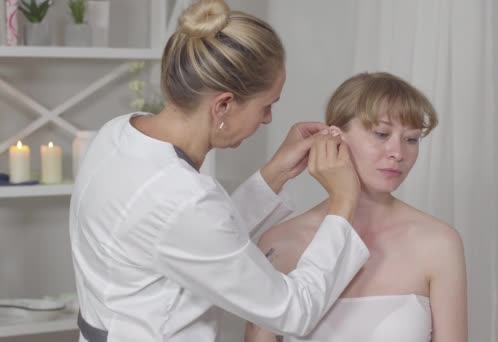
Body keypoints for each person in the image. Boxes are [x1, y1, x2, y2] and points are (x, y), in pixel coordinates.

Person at [68, 1, 370, 341]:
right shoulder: (181, 198)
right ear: (223, 105)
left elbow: (188, 239)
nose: (268, 119)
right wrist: (343, 202)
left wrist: (276, 172)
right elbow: (292, 310)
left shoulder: (117, 133)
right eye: (266, 105)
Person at [245, 72, 468, 342]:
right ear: (335, 136)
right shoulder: (279, 243)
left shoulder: (439, 243)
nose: (398, 152)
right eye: (382, 134)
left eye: (411, 139)